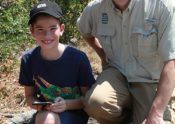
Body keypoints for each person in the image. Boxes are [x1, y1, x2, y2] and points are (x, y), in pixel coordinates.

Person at [77, 0, 175, 124]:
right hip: (116, 73)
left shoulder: (162, 5)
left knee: (157, 121)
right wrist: (102, 54)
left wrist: (157, 113)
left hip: (151, 80)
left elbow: (172, 62)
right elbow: (84, 29)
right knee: (95, 104)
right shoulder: (95, 8)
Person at [18, 0, 95, 124]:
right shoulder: (28, 59)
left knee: (47, 119)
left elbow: (87, 99)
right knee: (46, 118)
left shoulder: (78, 58)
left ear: (61, 29)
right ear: (32, 31)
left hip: (74, 113)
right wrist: (38, 106)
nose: (47, 35)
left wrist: (66, 105)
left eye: (53, 28)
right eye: (40, 29)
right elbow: (29, 97)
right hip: (44, 113)